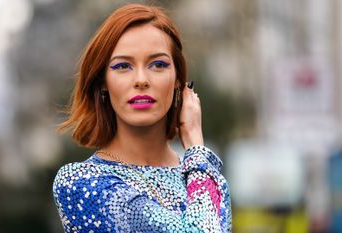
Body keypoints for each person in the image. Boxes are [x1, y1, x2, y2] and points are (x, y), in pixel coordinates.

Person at [52, 3, 232, 232]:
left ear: (178, 82)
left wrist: (196, 157)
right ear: (103, 83)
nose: (141, 79)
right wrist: (196, 147)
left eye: (158, 64)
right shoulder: (82, 182)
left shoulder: (209, 181)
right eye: (123, 66)